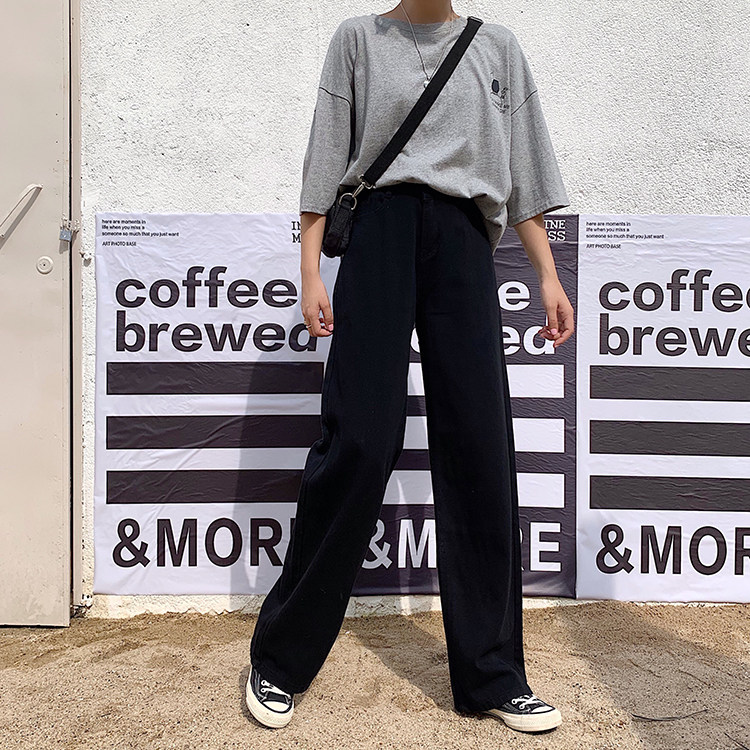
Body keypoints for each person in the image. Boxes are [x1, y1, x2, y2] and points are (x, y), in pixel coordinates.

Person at [246, 0, 575, 734]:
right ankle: (281, 659)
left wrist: (549, 275)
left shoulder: (497, 48)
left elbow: (523, 172)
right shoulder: (358, 40)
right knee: (360, 439)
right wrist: (310, 271)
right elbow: (326, 160)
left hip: (464, 240)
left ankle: (493, 675)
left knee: (480, 446)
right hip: (380, 234)